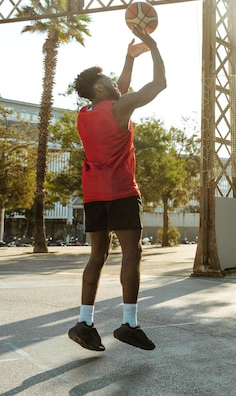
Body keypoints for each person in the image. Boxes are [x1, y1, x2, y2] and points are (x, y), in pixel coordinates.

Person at [67, 26, 166, 351]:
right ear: (99, 87)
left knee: (97, 255)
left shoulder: (85, 113)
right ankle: (130, 324)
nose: (114, 81)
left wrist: (128, 57)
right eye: (107, 78)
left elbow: (117, 91)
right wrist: (151, 45)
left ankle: (85, 322)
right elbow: (159, 85)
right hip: (122, 190)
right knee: (131, 254)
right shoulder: (119, 108)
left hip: (94, 193)